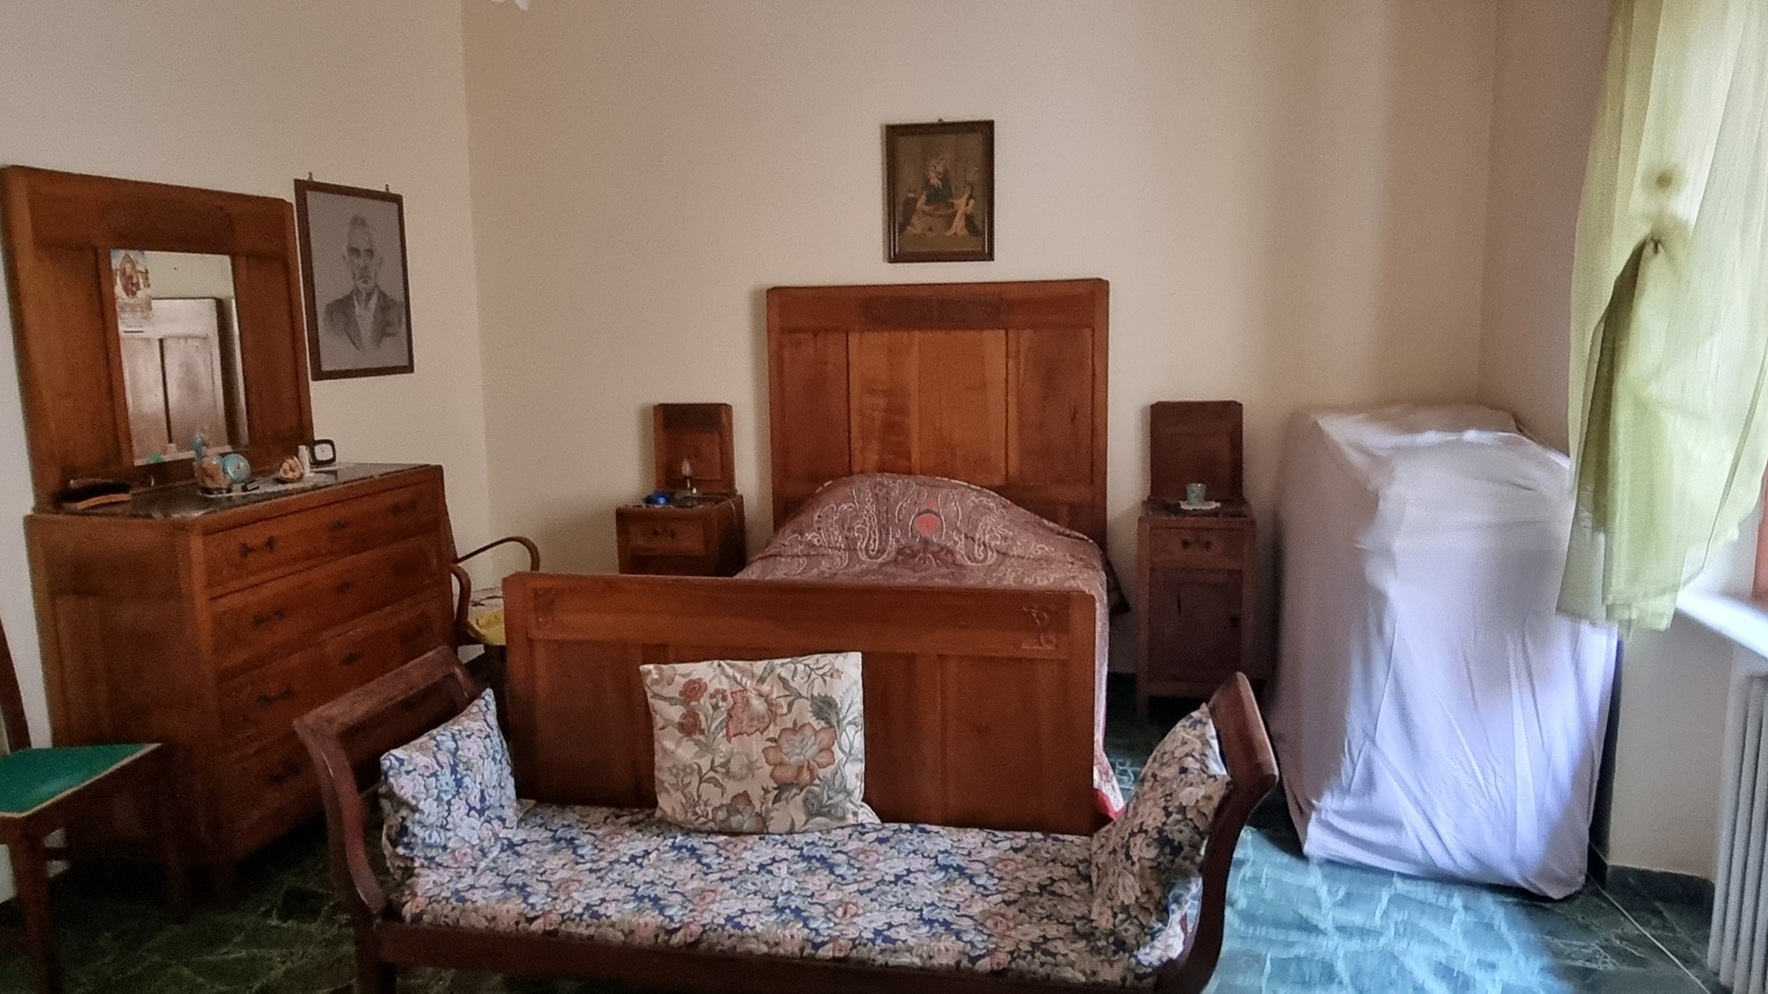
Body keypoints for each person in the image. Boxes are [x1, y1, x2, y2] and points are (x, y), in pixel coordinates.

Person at [321, 215, 407, 365]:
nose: (362, 264)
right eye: (355, 254)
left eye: (369, 254)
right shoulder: (332, 315)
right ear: (346, 261)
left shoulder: (399, 313)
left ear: (379, 261)